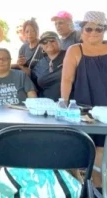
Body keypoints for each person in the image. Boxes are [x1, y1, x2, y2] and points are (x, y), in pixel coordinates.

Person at [61, 10, 107, 187]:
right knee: (84, 150)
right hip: (83, 110)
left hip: (105, 110)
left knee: (101, 152)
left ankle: (97, 193)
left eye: (99, 29)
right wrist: (63, 104)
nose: (94, 33)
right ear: (82, 29)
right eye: (89, 29)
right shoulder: (74, 50)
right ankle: (87, 189)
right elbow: (67, 79)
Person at [31, 31, 65, 101]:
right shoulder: (40, 63)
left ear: (59, 42)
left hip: (67, 104)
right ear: (41, 46)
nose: (49, 43)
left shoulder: (69, 56)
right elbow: (32, 78)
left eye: (52, 40)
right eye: (44, 42)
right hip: (45, 105)